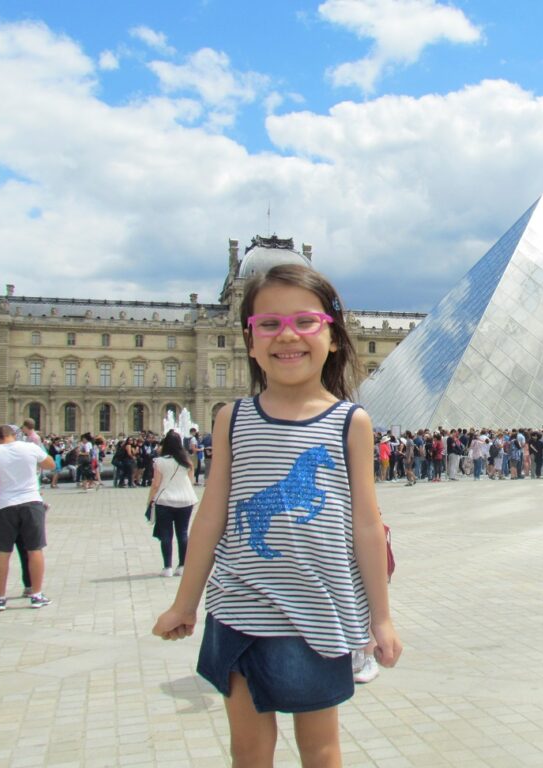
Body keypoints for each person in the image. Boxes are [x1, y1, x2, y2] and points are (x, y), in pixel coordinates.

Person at [152, 263, 401, 766]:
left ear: (332, 337)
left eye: (304, 321)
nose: (287, 335)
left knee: (321, 748)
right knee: (247, 750)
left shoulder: (352, 422)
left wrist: (382, 618)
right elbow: (212, 516)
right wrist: (185, 603)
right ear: (248, 341)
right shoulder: (232, 418)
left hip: (317, 614)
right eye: (268, 323)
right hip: (238, 608)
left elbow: (367, 527)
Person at [0, 425, 56, 611]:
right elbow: (51, 465)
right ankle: (36, 595)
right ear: (15, 435)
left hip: (5, 505)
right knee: (34, 550)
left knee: (2, 553)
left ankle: (0, 598)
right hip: (31, 502)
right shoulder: (29, 447)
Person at [148, 431, 198, 577]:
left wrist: (151, 499)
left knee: (166, 534)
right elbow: (191, 481)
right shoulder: (187, 461)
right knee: (182, 533)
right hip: (185, 500)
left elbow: (156, 484)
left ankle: (167, 567)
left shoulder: (159, 462)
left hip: (165, 500)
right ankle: (182, 566)